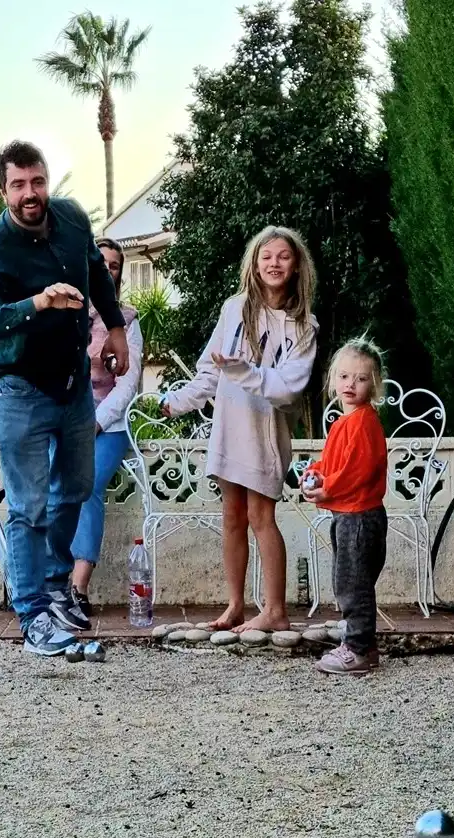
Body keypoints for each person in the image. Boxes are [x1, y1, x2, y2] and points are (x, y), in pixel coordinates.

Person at [0, 141, 129, 656]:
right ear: (3, 189)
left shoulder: (73, 219)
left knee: (75, 488)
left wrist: (116, 328)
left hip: (72, 384)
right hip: (17, 386)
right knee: (29, 505)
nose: (30, 193)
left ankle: (56, 582)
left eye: (37, 182)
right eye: (18, 184)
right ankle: (33, 612)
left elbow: (96, 272)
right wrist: (36, 302)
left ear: (46, 181)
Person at [162, 225, 318, 633]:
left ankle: (275, 610)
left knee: (261, 516)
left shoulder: (304, 326)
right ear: (254, 262)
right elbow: (211, 369)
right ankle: (234, 605)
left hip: (265, 429)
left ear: (297, 266)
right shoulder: (235, 308)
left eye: (284, 256)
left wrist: (245, 371)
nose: (274, 263)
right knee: (231, 516)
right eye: (267, 256)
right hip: (229, 424)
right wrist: (177, 403)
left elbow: (287, 388)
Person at [301, 336, 388, 676]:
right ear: (334, 378)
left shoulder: (364, 422)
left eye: (361, 378)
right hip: (348, 514)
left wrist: (328, 489)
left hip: (359, 516)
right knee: (350, 580)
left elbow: (358, 469)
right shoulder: (344, 422)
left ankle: (359, 649)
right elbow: (333, 462)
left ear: (374, 385)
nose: (351, 384)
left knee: (354, 583)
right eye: (344, 377)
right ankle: (359, 640)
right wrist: (314, 475)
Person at [70, 238, 143, 617]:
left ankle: (78, 587)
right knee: (49, 490)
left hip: (106, 427)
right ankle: (49, 585)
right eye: (101, 262)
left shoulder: (127, 321)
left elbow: (128, 385)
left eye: (114, 265)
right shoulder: (67, 312)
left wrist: (95, 424)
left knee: (87, 486)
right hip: (63, 421)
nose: (107, 269)